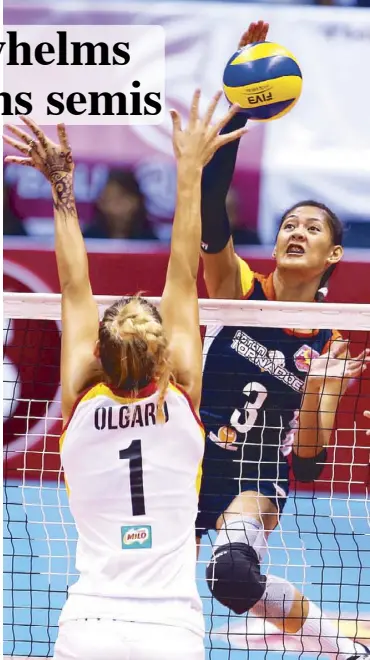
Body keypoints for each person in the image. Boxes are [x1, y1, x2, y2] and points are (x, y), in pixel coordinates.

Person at [3, 93, 246, 660]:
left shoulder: (82, 399)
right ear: (163, 359)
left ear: (98, 357)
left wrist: (62, 189)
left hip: (88, 624)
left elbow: (72, 288)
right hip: (171, 632)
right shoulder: (182, 389)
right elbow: (183, 273)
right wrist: (189, 172)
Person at [197, 20, 370, 660]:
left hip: (255, 471)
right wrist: (240, 105)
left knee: (232, 577)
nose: (295, 233)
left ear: (334, 253)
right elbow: (212, 207)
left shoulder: (327, 339)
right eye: (287, 225)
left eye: (310, 229)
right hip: (189, 453)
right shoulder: (241, 288)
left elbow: (312, 463)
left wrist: (321, 395)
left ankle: (342, 652)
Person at [84, 169, 157, 240]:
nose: (117, 207)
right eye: (109, 199)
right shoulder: (88, 239)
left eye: (122, 198)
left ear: (137, 201)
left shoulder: (150, 241)